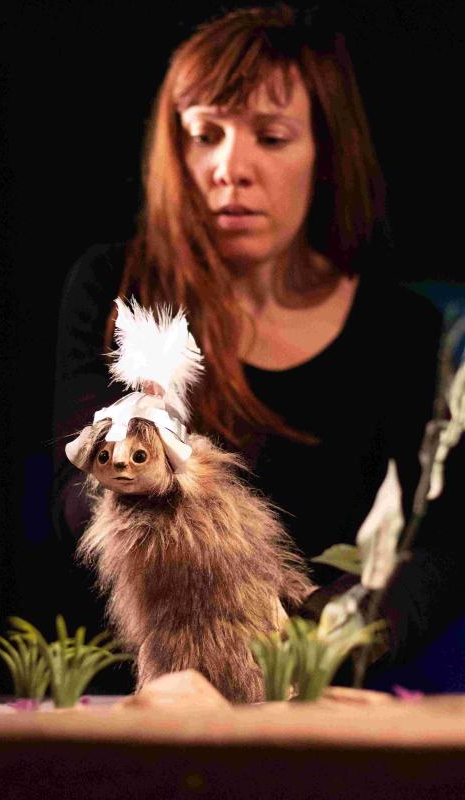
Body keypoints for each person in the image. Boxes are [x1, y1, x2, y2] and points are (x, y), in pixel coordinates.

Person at [53, 5, 463, 689]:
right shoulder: (113, 287)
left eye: (271, 137)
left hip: (319, 696)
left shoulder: (404, 329)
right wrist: (140, 492)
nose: (229, 168)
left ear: (325, 150)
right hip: (146, 691)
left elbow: (439, 548)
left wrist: (331, 631)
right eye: (204, 134)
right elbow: (74, 490)